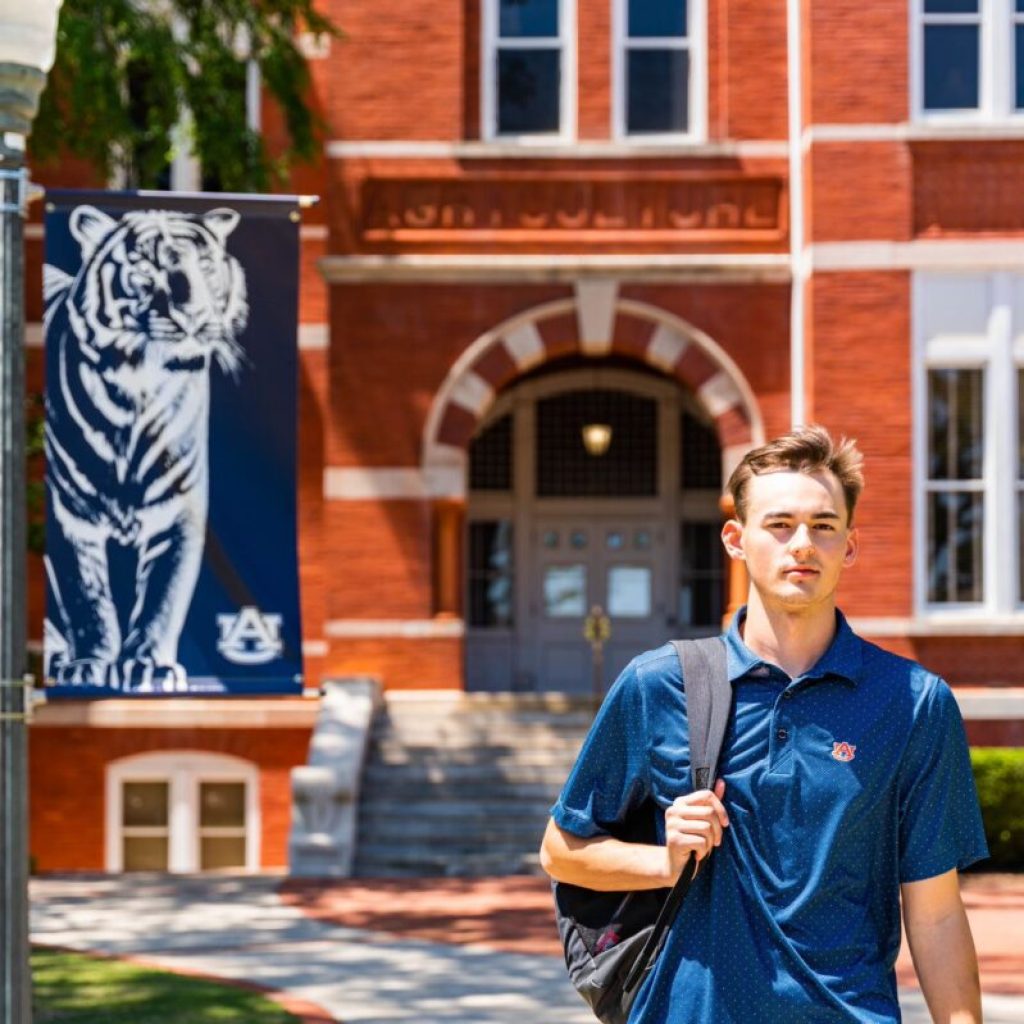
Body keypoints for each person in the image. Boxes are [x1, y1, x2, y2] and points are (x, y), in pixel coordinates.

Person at [540, 425, 988, 1024]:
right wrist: (664, 861)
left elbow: (934, 910)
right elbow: (561, 851)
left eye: (824, 526)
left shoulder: (912, 702)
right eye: (779, 524)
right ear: (736, 539)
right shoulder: (659, 684)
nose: (801, 543)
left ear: (848, 546)